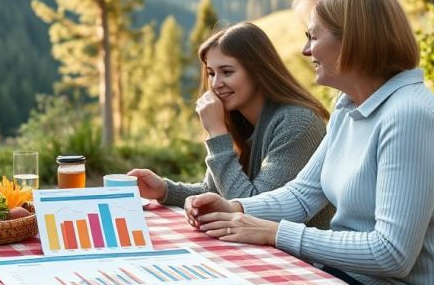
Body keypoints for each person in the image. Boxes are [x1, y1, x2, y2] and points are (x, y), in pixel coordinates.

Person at [185, 0, 434, 285]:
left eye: (313, 37)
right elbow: (304, 193)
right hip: (356, 282)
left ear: (352, 39)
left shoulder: (410, 116)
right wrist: (237, 208)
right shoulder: (349, 106)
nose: (305, 49)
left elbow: (392, 254)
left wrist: (273, 232)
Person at [129, 22, 331, 227]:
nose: (216, 84)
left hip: (303, 256)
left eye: (227, 72)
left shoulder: (297, 123)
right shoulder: (239, 119)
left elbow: (251, 209)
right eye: (211, 73)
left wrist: (217, 133)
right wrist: (164, 190)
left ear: (258, 71)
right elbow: (217, 192)